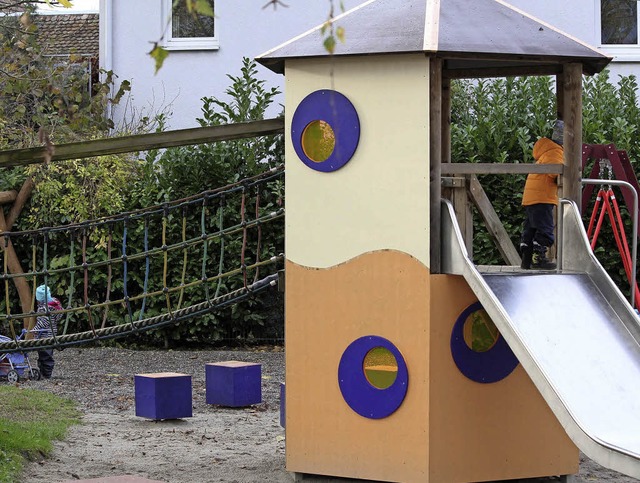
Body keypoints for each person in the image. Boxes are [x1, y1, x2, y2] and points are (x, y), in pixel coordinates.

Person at [520, 120, 564, 270]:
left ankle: (526, 260)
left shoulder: (546, 151)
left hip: (532, 196)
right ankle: (539, 259)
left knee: (531, 229)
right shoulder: (556, 152)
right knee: (545, 230)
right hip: (542, 197)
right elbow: (554, 171)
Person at [33, 284, 62, 379]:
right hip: (51, 333)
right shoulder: (54, 305)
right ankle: (43, 372)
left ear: (39, 299)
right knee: (46, 355)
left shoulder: (44, 309)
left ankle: (46, 374)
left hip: (44, 336)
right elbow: (58, 317)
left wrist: (34, 330)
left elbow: (42, 322)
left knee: (45, 355)